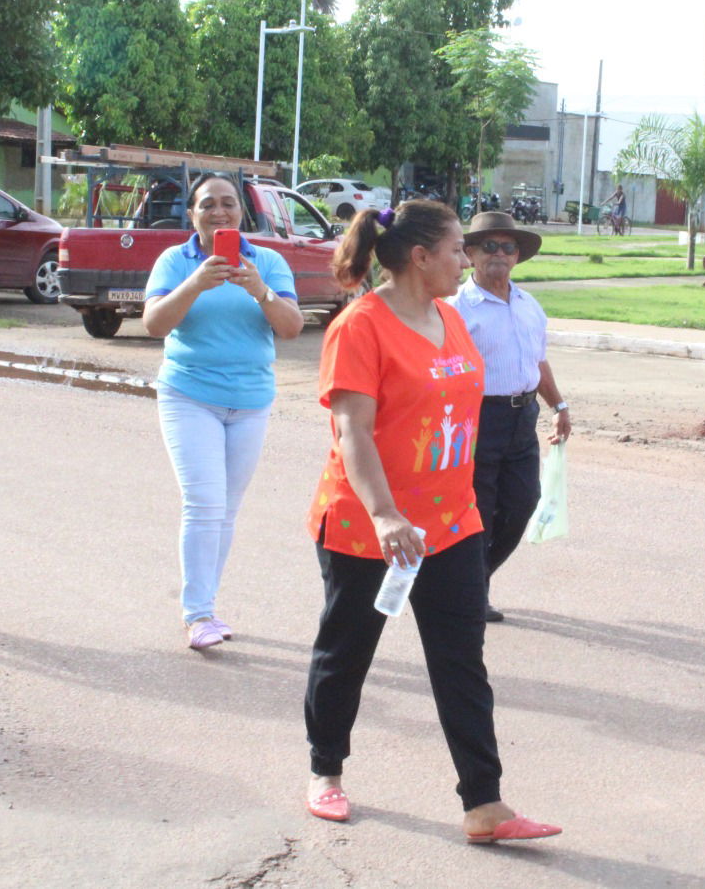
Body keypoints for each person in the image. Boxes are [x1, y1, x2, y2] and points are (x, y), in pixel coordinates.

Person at [302, 201, 560, 844]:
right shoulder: (360, 326)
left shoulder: (450, 317)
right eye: (455, 250)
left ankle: (484, 804)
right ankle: (325, 772)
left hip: (450, 522)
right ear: (420, 258)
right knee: (347, 651)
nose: (464, 260)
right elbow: (352, 429)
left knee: (461, 661)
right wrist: (386, 513)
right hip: (371, 527)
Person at [143, 175, 303, 650]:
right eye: (207, 205)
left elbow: (292, 328)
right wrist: (195, 283)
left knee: (226, 510)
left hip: (251, 401)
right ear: (191, 215)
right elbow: (154, 324)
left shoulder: (268, 261)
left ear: (242, 213)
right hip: (189, 395)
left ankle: (206, 606)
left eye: (228, 204)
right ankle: (199, 614)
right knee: (205, 502)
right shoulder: (176, 261)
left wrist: (261, 291)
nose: (219, 213)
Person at [446, 211, 571, 623]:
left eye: (508, 247)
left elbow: (537, 363)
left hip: (522, 418)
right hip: (477, 418)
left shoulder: (528, 305)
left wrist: (560, 407)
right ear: (471, 253)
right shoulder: (456, 309)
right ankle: (470, 591)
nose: (499, 254)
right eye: (489, 246)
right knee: (479, 511)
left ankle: (475, 578)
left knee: (523, 503)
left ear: (518, 256)